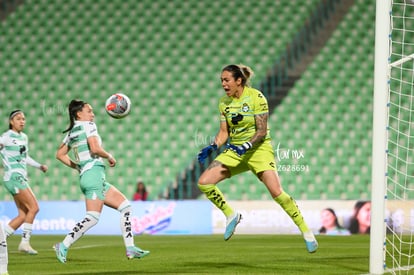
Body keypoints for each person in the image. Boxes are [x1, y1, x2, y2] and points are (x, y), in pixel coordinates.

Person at [197, 64, 318, 253]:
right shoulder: (223, 103)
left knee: (277, 192)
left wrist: (246, 145)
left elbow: (261, 131)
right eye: (221, 80)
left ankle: (306, 232)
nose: (223, 84)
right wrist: (213, 146)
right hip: (235, 150)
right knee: (204, 182)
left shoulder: (256, 97)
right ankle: (231, 215)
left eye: (227, 80)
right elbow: (223, 133)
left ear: (239, 81)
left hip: (258, 149)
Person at [54, 99, 150, 263]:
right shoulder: (88, 125)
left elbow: (59, 155)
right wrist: (109, 156)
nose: (93, 114)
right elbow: (95, 148)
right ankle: (63, 245)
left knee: (126, 207)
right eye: (89, 111)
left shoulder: (71, 133)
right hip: (93, 175)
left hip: (91, 176)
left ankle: (131, 248)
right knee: (92, 217)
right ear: (79, 113)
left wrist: (79, 167)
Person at [0, 109, 48, 255]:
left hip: (20, 177)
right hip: (14, 176)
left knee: (23, 215)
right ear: (11, 121)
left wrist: (39, 165)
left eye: (24, 119)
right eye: (18, 119)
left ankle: (1, 240)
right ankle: (24, 243)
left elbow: (24, 157)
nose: (22, 121)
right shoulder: (6, 137)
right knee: (34, 208)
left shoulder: (24, 137)